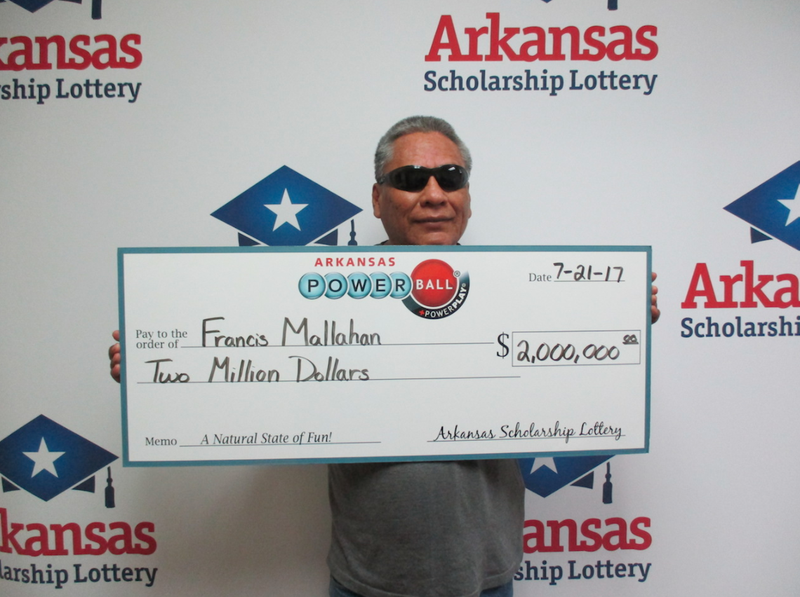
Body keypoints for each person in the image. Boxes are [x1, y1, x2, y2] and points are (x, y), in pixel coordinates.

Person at [109, 116, 660, 597]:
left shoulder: (524, 294)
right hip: (368, 582)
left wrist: (616, 328)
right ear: (377, 200)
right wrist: (161, 371)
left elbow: (565, 393)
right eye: (408, 180)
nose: (433, 193)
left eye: (450, 177)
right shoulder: (315, 291)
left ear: (468, 194)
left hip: (487, 578)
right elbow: (258, 386)